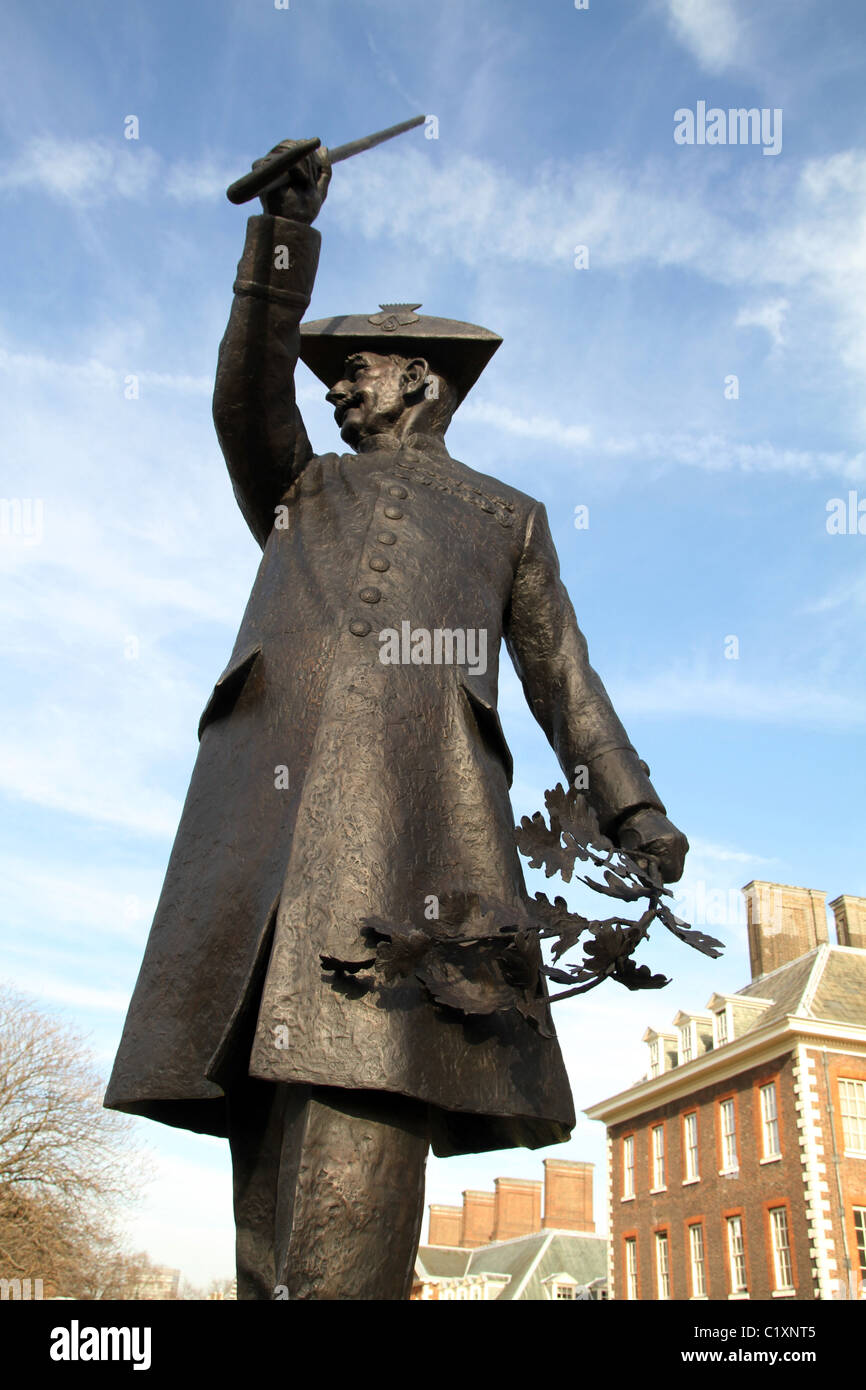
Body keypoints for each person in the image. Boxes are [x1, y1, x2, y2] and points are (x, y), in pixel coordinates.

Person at [105, 141, 687, 1300]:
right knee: (268, 1183)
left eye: (356, 369)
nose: (333, 389)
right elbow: (244, 393)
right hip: (258, 855)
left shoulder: (505, 518)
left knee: (357, 1123)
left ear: (421, 380)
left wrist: (634, 806)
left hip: (415, 853)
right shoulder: (299, 487)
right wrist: (282, 240)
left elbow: (560, 672)